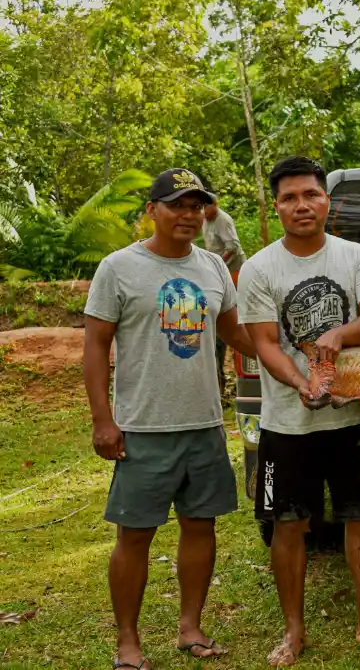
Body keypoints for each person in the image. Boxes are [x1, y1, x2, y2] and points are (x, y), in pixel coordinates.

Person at [235, 156, 360, 667]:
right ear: (276, 207)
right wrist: (300, 383)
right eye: (289, 198)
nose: (301, 205)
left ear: (325, 200)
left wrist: (339, 335)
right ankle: (293, 631)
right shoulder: (260, 268)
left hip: (352, 419)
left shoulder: (353, 255)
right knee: (287, 522)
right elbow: (265, 343)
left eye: (310, 194)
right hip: (285, 424)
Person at [83, 167, 258, 670]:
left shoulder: (213, 268)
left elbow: (238, 334)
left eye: (197, 205)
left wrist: (288, 364)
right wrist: (103, 419)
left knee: (201, 526)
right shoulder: (118, 268)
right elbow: (95, 348)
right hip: (143, 427)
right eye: (177, 204)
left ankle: (190, 629)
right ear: (151, 211)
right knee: (135, 534)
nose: (188, 215)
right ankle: (127, 643)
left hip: (203, 424)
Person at [201, 192, 247, 394]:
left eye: (206, 207)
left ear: (215, 205)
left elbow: (233, 247)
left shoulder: (223, 220)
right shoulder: (205, 220)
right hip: (215, 272)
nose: (203, 211)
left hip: (233, 272)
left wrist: (217, 265)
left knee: (232, 318)